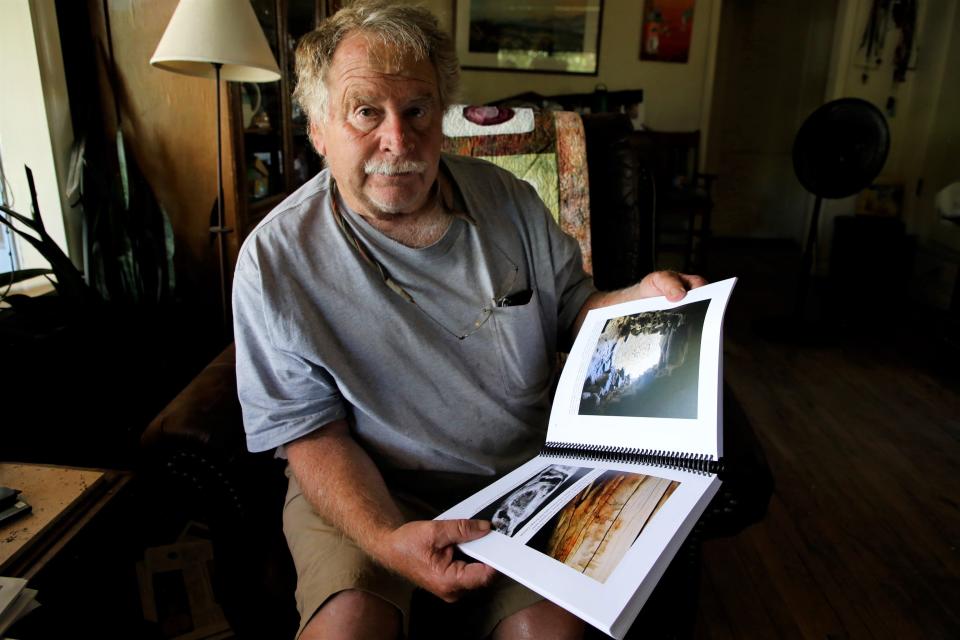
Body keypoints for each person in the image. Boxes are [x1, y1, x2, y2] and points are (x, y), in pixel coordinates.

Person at [232, 2, 706, 638]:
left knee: (554, 635)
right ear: (319, 129)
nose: (397, 141)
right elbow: (309, 433)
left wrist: (640, 299)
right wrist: (386, 537)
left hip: (520, 476)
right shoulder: (273, 261)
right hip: (369, 481)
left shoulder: (509, 200)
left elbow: (575, 311)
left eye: (418, 110)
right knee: (347, 630)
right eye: (366, 111)